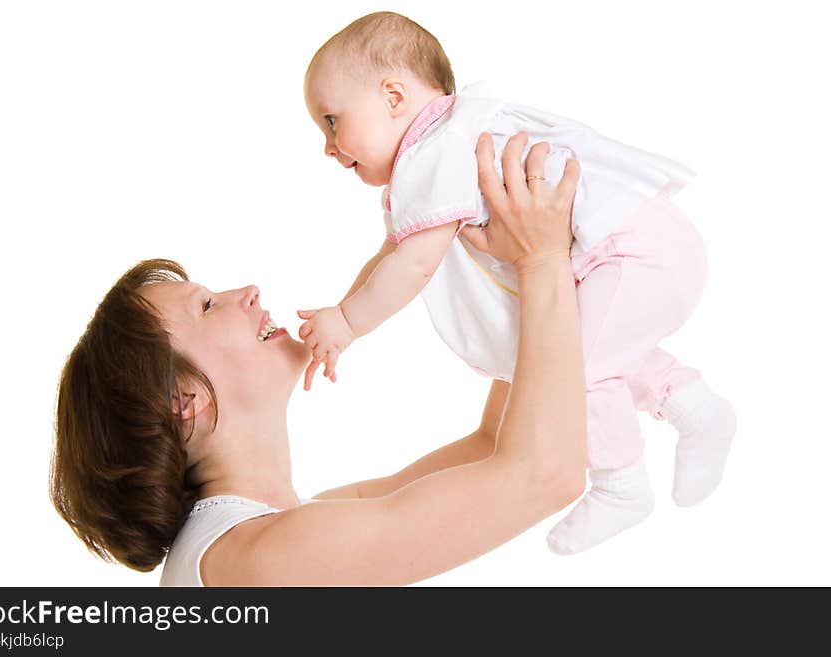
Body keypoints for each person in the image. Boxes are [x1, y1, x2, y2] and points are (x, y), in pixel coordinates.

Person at [51, 136, 587, 586]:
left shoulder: (273, 533)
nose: (249, 292)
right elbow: (544, 475)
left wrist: (524, 272)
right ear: (181, 403)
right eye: (208, 307)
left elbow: (494, 445)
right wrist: (541, 257)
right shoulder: (256, 558)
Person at [299, 11, 736, 555]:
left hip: (630, 252)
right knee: (599, 352)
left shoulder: (436, 149)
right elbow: (392, 252)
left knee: (572, 367)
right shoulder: (442, 144)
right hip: (638, 249)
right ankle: (696, 407)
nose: (327, 145)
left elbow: (413, 266)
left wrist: (347, 323)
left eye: (332, 121)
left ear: (393, 97)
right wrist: (341, 312)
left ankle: (621, 485)